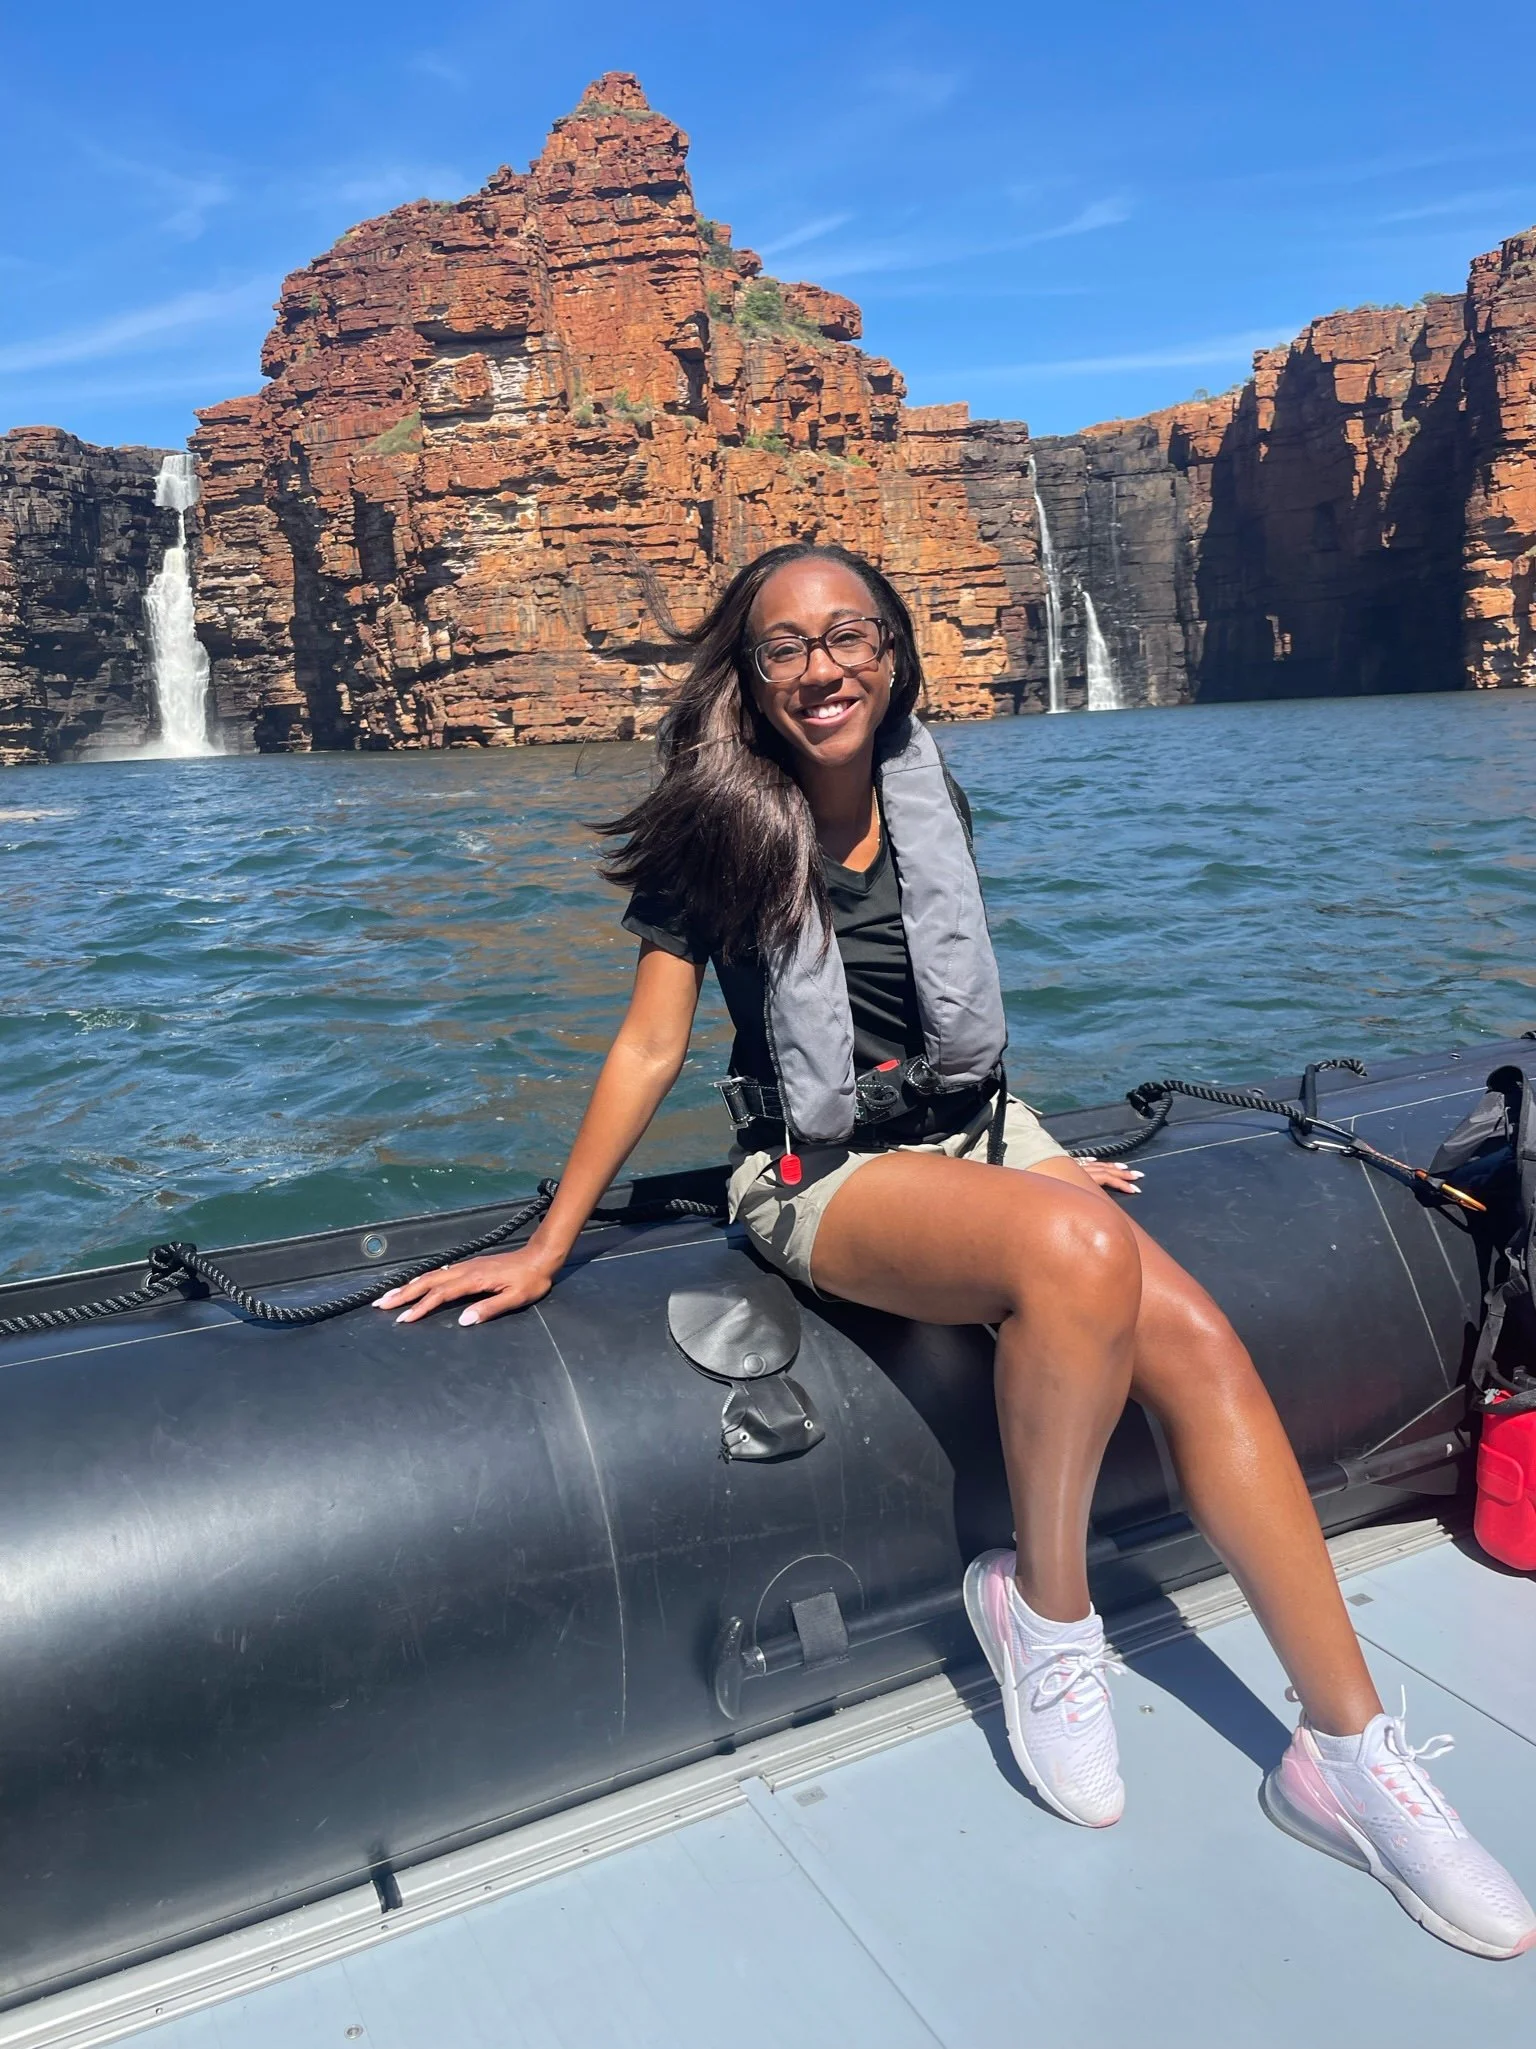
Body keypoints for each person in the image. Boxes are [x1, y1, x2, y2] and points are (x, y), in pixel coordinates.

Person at [377, 541, 1534, 1961]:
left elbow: (948, 1010)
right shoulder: (713, 827)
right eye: (785, 646)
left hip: (991, 1144)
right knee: (1076, 1251)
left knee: (1201, 1344)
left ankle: (1346, 1757)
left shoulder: (933, 788)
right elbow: (649, 1042)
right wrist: (552, 1243)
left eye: (848, 635)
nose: (822, 668)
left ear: (896, 649)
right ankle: (1043, 1615)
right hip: (819, 1173)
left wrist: (1030, 1172)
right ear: (748, 678)